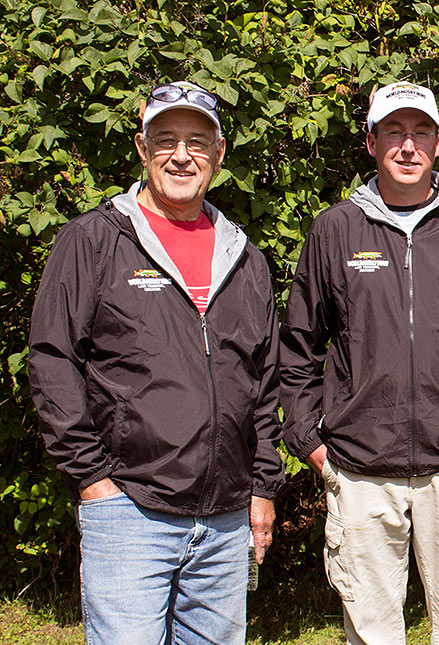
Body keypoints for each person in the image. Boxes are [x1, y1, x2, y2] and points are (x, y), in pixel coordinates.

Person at [28, 80, 284, 644]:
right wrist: (92, 479)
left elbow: (266, 386)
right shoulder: (94, 240)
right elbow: (52, 360)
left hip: (225, 519)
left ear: (219, 153)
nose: (181, 155)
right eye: (165, 140)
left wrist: (263, 486)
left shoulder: (245, 259)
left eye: (197, 141)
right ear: (142, 149)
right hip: (128, 511)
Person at [280, 81, 439, 644]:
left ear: (438, 143)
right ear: (371, 142)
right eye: (394, 131)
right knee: (370, 633)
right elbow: (298, 346)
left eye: (420, 132)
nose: (408, 145)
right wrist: (309, 441)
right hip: (360, 468)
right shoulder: (335, 229)